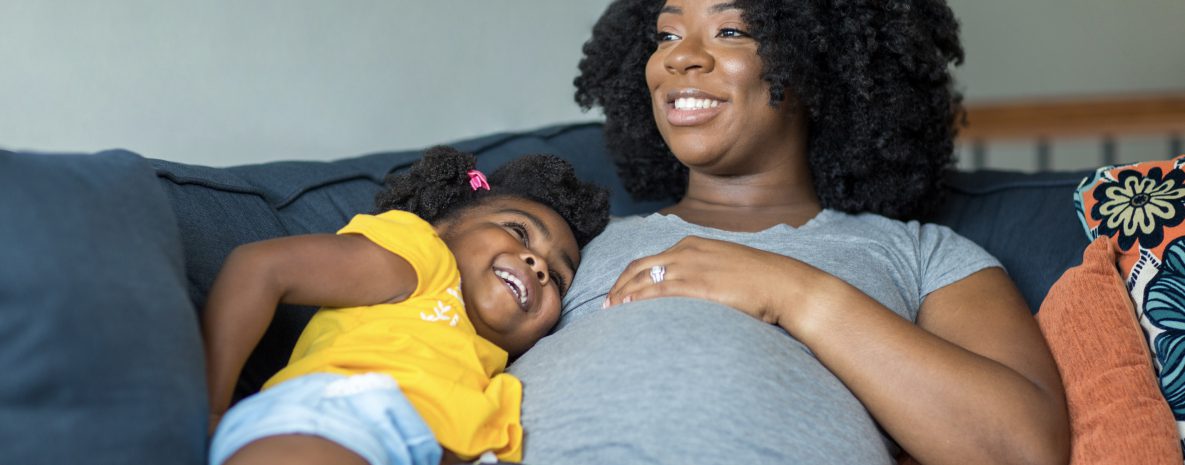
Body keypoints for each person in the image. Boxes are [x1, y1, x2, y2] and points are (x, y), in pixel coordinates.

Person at [506, 1, 1071, 464]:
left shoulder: (924, 254)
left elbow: (1022, 449)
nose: (681, 58)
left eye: (730, 30)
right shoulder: (570, 236)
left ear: (813, 61)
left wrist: (792, 293)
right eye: (666, 35)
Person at [201, 146, 610, 465]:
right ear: (444, 227)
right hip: (335, 417)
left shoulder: (494, 379)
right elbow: (261, 267)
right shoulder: (424, 261)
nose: (538, 265)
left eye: (557, 278)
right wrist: (209, 408)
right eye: (518, 232)